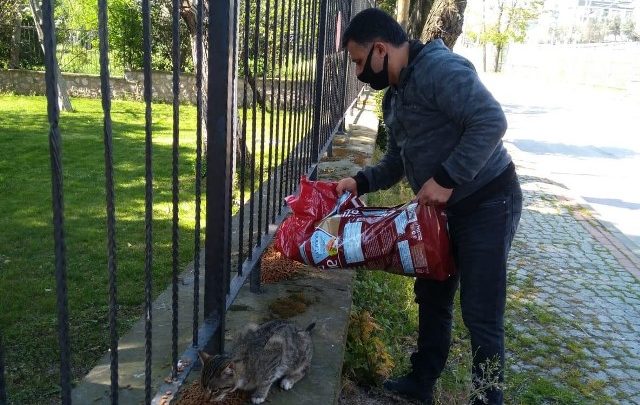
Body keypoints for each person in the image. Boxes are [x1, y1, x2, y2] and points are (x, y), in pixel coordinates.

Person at [336, 8, 523, 405]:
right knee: (433, 296)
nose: (357, 73)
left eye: (357, 61)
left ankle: (485, 399)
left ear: (380, 49)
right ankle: (422, 382)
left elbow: (491, 120)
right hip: (443, 214)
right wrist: (362, 181)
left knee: (480, 313)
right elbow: (398, 160)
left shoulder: (440, 69)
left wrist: (446, 178)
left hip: (489, 201)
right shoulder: (395, 97)